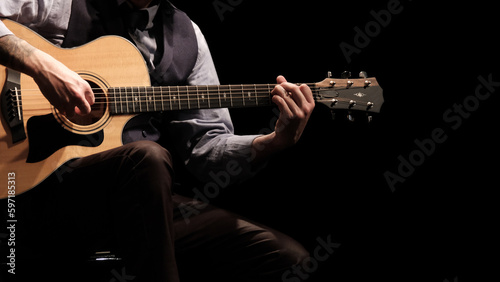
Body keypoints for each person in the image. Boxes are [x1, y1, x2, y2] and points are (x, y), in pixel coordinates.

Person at [0, 0, 315, 281]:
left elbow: (208, 149)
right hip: (43, 192)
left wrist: (272, 142)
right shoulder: (62, 4)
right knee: (147, 159)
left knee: (287, 258)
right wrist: (42, 65)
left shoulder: (186, 36)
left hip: (141, 203)